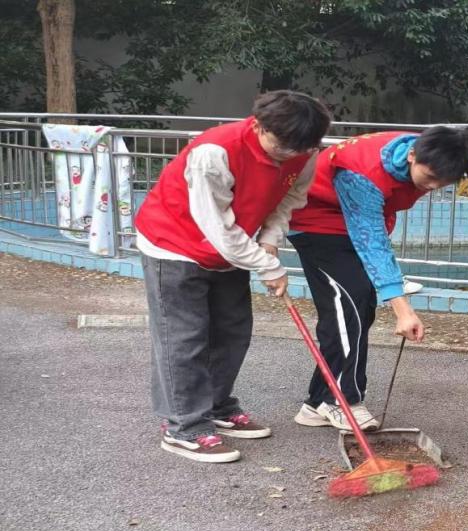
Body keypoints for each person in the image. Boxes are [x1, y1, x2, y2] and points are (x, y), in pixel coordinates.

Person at [135, 90, 331, 463]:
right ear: (258, 125)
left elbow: (287, 199)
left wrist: (270, 241)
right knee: (184, 338)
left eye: (299, 149)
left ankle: (217, 405)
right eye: (281, 147)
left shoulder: (304, 150)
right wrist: (267, 265)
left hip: (232, 249)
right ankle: (184, 427)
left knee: (232, 332)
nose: (288, 156)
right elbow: (217, 228)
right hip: (174, 245)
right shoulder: (214, 153)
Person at [286, 127, 468, 431]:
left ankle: (317, 404)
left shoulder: (427, 151)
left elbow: (373, 226)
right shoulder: (362, 172)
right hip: (316, 221)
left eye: (443, 183)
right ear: (412, 155)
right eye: (430, 177)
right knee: (350, 303)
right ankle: (342, 401)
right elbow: (371, 242)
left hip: (350, 222)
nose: (432, 186)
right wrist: (403, 310)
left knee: (358, 307)